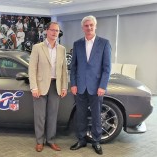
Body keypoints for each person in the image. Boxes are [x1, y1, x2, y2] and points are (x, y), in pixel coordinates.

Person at [69, 15, 111, 155]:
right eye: (86, 25)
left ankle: (96, 141)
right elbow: (73, 67)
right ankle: (81, 139)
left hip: (96, 87)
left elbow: (107, 68)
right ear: (82, 28)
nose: (89, 27)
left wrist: (102, 86)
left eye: (91, 25)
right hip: (80, 86)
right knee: (80, 114)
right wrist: (73, 84)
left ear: (95, 26)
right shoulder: (77, 44)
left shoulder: (104, 43)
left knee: (96, 115)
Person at [28, 21, 68, 152]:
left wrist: (64, 87)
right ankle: (39, 141)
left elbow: (64, 70)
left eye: (57, 31)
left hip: (55, 85)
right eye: (52, 30)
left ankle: (50, 140)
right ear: (47, 31)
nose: (55, 33)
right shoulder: (37, 47)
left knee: (52, 115)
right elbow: (32, 68)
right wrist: (34, 87)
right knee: (40, 116)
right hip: (40, 86)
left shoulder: (62, 49)